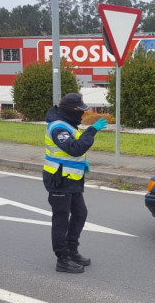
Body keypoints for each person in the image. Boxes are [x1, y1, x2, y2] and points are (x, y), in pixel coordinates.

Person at [43, 92, 108, 273]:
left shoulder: (68, 124)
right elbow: (74, 148)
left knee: (80, 213)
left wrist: (80, 163)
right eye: (80, 111)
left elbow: (71, 150)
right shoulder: (58, 128)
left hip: (71, 178)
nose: (82, 115)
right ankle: (62, 259)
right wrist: (92, 130)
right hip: (59, 180)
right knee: (61, 219)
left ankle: (72, 250)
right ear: (71, 110)